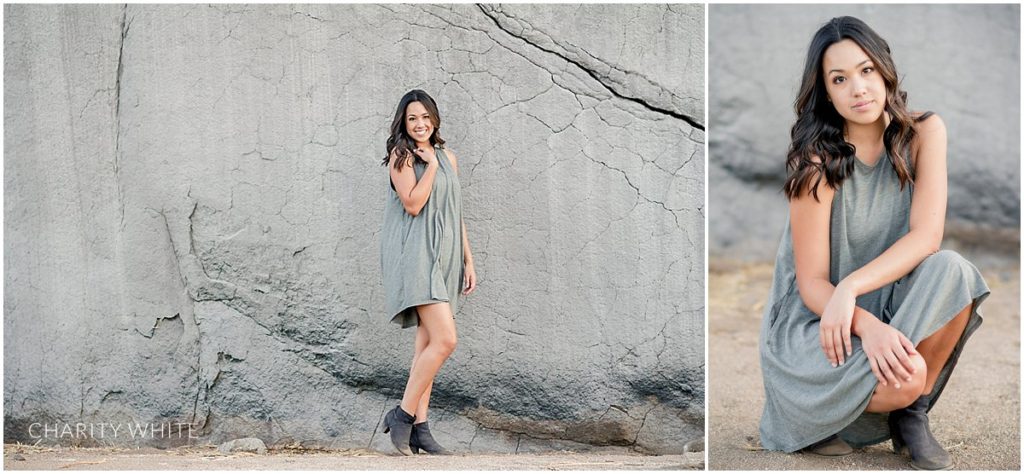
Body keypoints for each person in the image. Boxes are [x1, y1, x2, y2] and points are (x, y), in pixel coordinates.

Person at [758, 17, 990, 470]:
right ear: (826, 92)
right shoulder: (816, 161)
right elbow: (811, 284)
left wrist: (853, 288)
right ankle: (835, 414)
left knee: (955, 271)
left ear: (885, 70)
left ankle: (911, 417)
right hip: (817, 325)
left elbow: (927, 238)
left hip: (878, 304)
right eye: (839, 79)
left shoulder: (924, 133)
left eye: (866, 71)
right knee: (904, 378)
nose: (858, 89)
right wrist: (862, 319)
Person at [378, 89, 477, 455]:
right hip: (416, 255)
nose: (420, 124)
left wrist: (468, 259)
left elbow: (455, 211)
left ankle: (420, 427)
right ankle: (402, 415)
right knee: (446, 340)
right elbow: (414, 204)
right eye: (412, 119)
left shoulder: (449, 156)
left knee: (426, 344)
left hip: (446, 256)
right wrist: (430, 166)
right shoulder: (401, 157)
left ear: (434, 119)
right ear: (404, 124)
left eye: (425, 117)